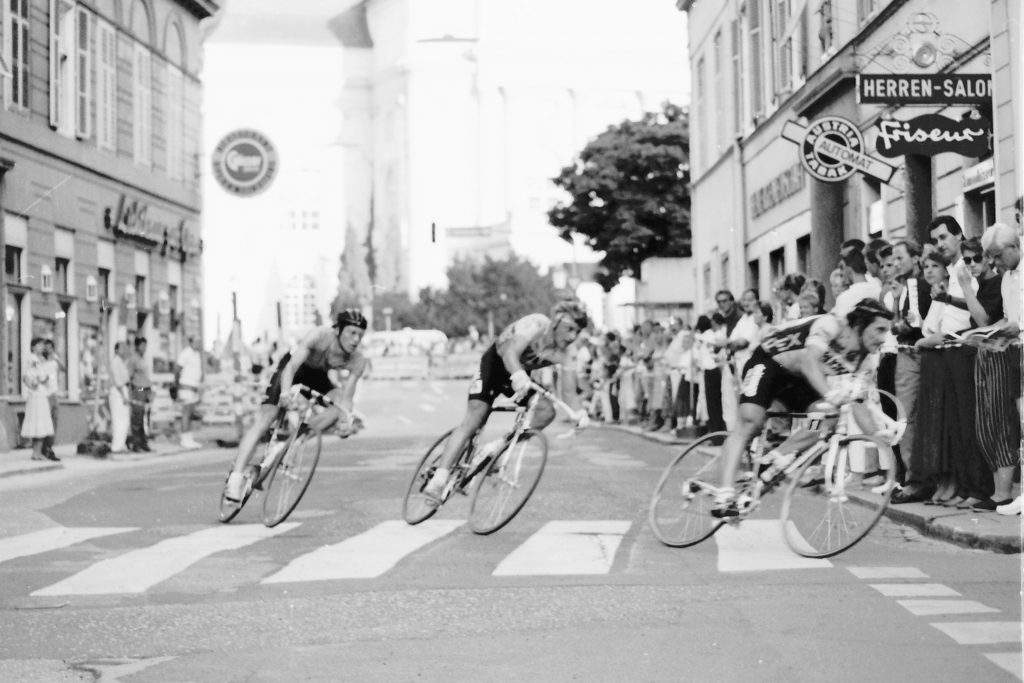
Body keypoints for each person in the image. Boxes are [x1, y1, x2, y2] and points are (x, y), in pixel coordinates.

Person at [712, 299, 896, 517]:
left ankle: (773, 459)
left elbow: (858, 403)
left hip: (798, 383)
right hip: (769, 363)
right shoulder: (831, 325)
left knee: (826, 415)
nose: (884, 337)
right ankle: (723, 495)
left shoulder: (865, 360)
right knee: (751, 421)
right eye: (880, 329)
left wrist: (876, 436)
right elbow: (809, 362)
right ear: (861, 325)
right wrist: (830, 394)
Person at [422, 301, 590, 503]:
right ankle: (439, 478)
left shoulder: (568, 353)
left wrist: (579, 413)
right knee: (474, 419)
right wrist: (518, 375)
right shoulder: (537, 324)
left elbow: (569, 393)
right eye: (569, 328)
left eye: (577, 332)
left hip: (520, 375)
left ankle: (496, 448)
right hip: (496, 365)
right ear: (556, 322)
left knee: (546, 411)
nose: (572, 337)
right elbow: (510, 352)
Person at [224, 308, 370, 502]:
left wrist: (345, 423)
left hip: (318, 376)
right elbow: (291, 367)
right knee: (266, 417)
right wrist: (284, 393)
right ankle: (235, 478)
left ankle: (295, 442)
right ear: (337, 330)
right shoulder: (319, 336)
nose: (356, 339)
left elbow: (346, 401)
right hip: (293, 369)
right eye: (352, 333)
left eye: (360, 335)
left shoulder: (357, 360)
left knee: (337, 403)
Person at [22, 338, 56, 461]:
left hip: (41, 394)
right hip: (37, 395)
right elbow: (27, 376)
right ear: (33, 347)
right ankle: (36, 452)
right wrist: (38, 381)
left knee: (41, 423)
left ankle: (37, 452)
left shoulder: (40, 360)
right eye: (39, 345)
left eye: (42, 345)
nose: (42, 347)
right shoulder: (32, 359)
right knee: (39, 422)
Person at [174, 335, 205, 450]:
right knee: (186, 413)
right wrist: (177, 385)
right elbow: (177, 369)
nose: (198, 344)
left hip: (194, 386)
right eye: (196, 341)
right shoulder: (186, 352)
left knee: (190, 413)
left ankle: (189, 438)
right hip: (185, 386)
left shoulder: (196, 354)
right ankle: (184, 439)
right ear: (190, 342)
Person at [128, 336, 153, 453]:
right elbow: (130, 377)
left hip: (145, 389)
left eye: (145, 345)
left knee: (144, 417)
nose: (144, 348)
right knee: (137, 417)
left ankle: (144, 442)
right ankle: (136, 443)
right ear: (137, 346)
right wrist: (138, 390)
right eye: (142, 345)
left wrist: (149, 390)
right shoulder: (133, 359)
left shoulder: (144, 359)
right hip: (139, 389)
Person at [39, 339, 63, 459]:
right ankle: (44, 447)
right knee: (46, 422)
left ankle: (50, 446)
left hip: (54, 394)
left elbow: (63, 369)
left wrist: (57, 358)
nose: (49, 350)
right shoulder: (40, 362)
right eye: (46, 347)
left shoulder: (54, 361)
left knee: (54, 421)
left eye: (51, 347)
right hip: (45, 395)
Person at [108, 341, 131, 453]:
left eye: (124, 348)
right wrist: (123, 395)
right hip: (117, 392)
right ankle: (116, 446)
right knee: (118, 419)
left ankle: (122, 444)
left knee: (125, 420)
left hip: (124, 390)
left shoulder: (123, 362)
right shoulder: (115, 362)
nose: (124, 350)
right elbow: (117, 380)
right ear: (116, 350)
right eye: (121, 348)